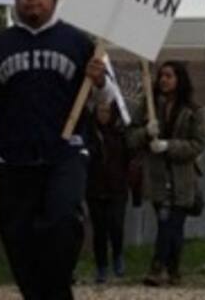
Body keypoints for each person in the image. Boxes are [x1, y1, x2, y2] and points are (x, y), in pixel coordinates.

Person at [0, 0, 119, 300]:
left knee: (62, 221)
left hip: (65, 153)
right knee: (18, 237)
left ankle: (57, 287)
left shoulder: (78, 42)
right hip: (14, 158)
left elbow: (106, 100)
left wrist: (100, 81)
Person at [128, 61, 205, 287]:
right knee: (165, 222)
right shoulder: (148, 106)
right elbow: (130, 137)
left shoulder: (193, 111)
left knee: (173, 224)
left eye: (169, 76)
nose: (163, 80)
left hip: (182, 178)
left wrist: (168, 146)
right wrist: (146, 132)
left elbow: (197, 144)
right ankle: (172, 269)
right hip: (157, 176)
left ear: (179, 80)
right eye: (161, 76)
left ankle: (159, 267)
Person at [85, 100, 131, 283]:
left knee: (116, 225)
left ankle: (118, 254)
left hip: (117, 188)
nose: (103, 115)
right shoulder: (90, 134)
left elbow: (129, 157)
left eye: (107, 111)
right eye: (100, 110)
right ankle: (101, 266)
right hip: (95, 188)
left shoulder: (120, 134)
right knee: (100, 230)